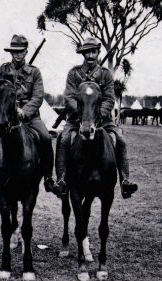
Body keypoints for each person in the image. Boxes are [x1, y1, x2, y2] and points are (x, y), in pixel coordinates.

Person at [55, 37, 138, 199]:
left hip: (102, 120)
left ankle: (125, 181)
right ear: (83, 54)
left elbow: (109, 99)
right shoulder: (74, 74)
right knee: (64, 139)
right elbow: (69, 97)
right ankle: (61, 181)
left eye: (94, 51)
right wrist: (83, 114)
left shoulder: (106, 75)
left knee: (120, 139)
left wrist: (97, 115)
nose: (91, 55)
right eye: (87, 52)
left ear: (98, 53)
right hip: (77, 120)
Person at [0, 34, 58, 194]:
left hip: (29, 117)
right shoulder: (1, 70)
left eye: (21, 51)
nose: (17, 54)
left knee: (45, 138)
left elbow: (38, 97)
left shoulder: (34, 73)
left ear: (26, 52)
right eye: (14, 51)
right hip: (5, 116)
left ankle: (48, 178)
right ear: (11, 52)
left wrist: (25, 111)